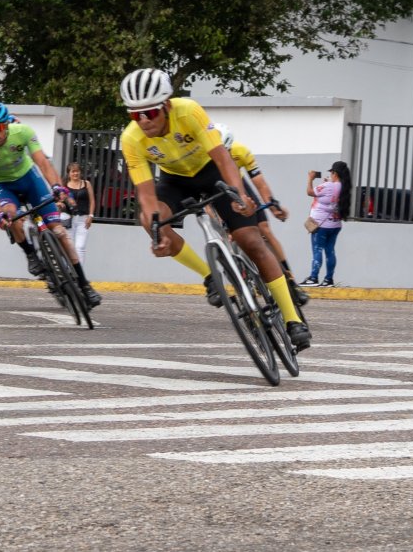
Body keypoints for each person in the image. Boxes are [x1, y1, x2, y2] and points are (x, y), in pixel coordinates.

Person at [118, 67, 310, 351]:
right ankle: (210, 276)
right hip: (174, 181)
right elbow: (146, 193)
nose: (144, 120)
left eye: (151, 112)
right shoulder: (131, 139)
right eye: (136, 114)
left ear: (167, 105)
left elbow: (223, 158)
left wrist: (239, 195)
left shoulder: (189, 111)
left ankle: (294, 320)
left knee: (252, 241)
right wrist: (158, 231)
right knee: (150, 220)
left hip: (213, 172)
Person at [0, 101, 101, 309]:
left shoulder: (24, 132)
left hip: (30, 180)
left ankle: (84, 284)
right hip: (3, 186)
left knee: (60, 232)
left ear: (7, 125)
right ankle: (30, 253)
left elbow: (43, 163)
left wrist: (56, 186)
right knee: (11, 217)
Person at [212, 123, 308, 307]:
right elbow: (208, 203)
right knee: (226, 234)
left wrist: (273, 206)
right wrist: (220, 222)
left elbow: (259, 183)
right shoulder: (204, 157)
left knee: (264, 229)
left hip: (237, 186)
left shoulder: (241, 151)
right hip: (215, 188)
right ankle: (240, 283)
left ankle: (290, 281)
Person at [300, 161, 353, 288]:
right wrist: (326, 183)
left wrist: (310, 179)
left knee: (317, 250)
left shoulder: (328, 186)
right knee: (330, 251)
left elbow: (309, 192)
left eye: (331, 172)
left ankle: (313, 278)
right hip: (335, 225)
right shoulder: (344, 187)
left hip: (320, 225)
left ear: (335, 173)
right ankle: (329, 279)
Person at [64, 162, 96, 267]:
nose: (75, 173)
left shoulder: (86, 184)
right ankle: (69, 271)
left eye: (77, 171)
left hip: (83, 219)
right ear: (69, 173)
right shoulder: (64, 186)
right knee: (70, 246)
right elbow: (60, 201)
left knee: (80, 247)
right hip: (69, 219)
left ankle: (79, 274)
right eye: (73, 171)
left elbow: (92, 201)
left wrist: (91, 216)